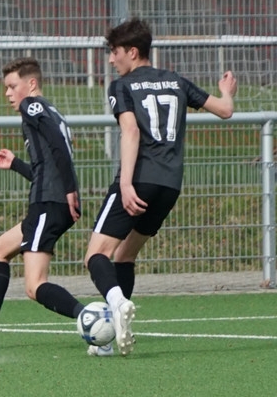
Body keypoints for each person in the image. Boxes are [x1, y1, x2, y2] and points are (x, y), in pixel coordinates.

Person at [84, 18, 237, 356]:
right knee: (125, 255)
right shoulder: (177, 81)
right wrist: (226, 90)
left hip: (139, 179)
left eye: (114, 52)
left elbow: (131, 131)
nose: (111, 59)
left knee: (96, 255)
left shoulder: (122, 86)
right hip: (169, 185)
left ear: (132, 52)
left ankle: (117, 305)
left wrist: (125, 183)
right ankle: (113, 335)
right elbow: (225, 110)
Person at [0, 57, 89, 350]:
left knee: (34, 286)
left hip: (48, 203)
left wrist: (70, 189)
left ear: (31, 84)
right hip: (50, 201)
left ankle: (92, 317)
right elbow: (45, 167)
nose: (8, 93)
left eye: (12, 86)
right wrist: (15, 164)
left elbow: (58, 148)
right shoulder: (50, 111)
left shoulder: (31, 106)